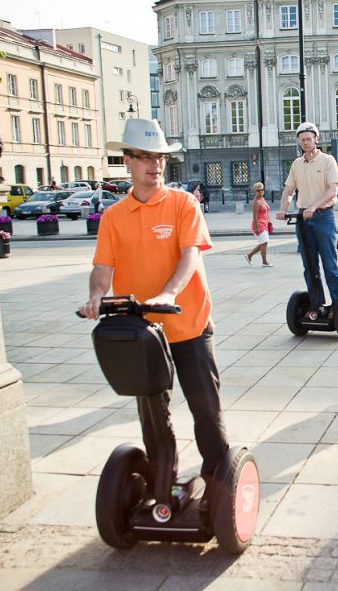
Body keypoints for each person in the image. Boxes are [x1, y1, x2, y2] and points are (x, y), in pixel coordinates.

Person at [78, 117, 228, 494]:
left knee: (206, 410)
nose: (155, 164)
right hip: (143, 332)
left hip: (189, 324)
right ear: (127, 160)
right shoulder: (113, 216)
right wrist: (96, 294)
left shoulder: (183, 204)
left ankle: (218, 482)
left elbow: (190, 253)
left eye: (159, 156)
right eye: (145, 157)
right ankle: (164, 484)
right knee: (154, 418)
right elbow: (102, 267)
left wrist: (168, 293)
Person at [276, 121, 338, 307]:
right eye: (302, 140)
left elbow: (332, 191)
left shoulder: (328, 160)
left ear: (316, 139)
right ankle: (317, 304)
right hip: (303, 219)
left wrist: (314, 207)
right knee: (310, 266)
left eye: (308, 139)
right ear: (299, 142)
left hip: (323, 216)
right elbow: (288, 191)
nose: (305, 142)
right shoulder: (297, 164)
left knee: (330, 265)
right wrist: (283, 209)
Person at [245, 181, 272, 267]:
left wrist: (269, 222)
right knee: (264, 242)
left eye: (262, 190)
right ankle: (264, 262)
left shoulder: (262, 199)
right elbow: (255, 216)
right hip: (259, 224)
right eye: (258, 190)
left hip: (265, 224)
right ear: (255, 191)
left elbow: (266, 212)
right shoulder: (256, 202)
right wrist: (257, 228)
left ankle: (249, 256)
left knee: (264, 242)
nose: (260, 192)